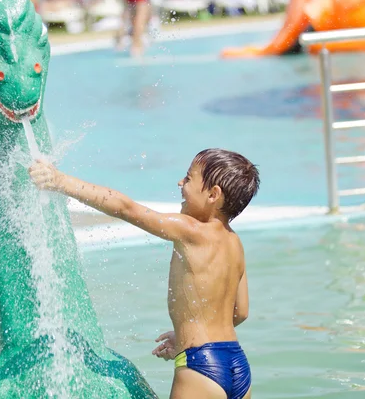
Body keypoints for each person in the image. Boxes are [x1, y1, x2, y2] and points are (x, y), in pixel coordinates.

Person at [28, 148, 259, 399]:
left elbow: (126, 208)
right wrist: (186, 334)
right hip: (237, 365)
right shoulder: (235, 244)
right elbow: (241, 311)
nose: (180, 183)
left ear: (214, 195)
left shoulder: (191, 230)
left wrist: (60, 181)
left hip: (201, 366)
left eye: (189, 178)